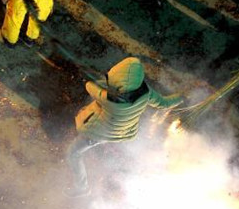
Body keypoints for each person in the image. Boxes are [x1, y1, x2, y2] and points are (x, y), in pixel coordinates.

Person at [67, 57, 183, 196]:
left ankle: (82, 188)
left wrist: (102, 81)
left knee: (73, 153)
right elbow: (164, 103)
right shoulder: (145, 92)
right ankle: (108, 154)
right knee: (91, 116)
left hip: (99, 133)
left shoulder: (110, 100)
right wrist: (181, 97)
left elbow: (90, 86)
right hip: (125, 132)